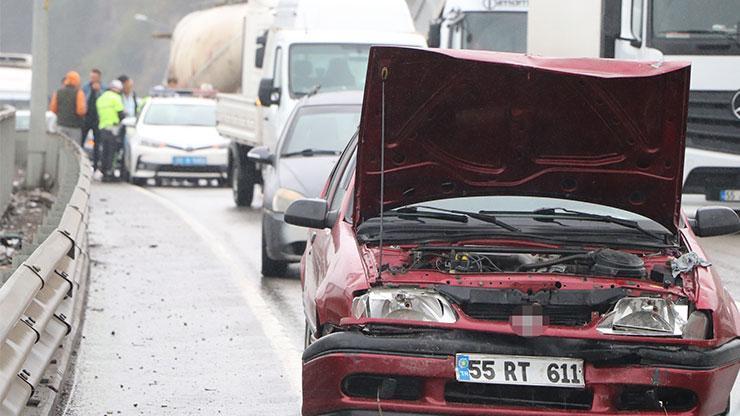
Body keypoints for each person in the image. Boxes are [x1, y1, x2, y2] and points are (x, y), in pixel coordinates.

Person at [96, 79, 125, 181]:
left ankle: (104, 172)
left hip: (103, 127)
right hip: (113, 128)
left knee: (104, 151)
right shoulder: (116, 98)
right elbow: (121, 114)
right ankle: (110, 172)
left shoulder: (101, 98)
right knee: (112, 152)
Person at [48, 71, 86, 140]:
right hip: (75, 127)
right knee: (74, 148)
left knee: (61, 147)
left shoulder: (58, 92)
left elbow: (52, 109)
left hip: (61, 125)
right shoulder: (79, 93)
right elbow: (81, 111)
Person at [82, 69, 103, 171]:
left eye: (94, 77)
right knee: (81, 141)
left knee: (97, 143)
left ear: (99, 78)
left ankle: (96, 166)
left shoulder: (103, 88)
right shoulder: (86, 87)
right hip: (86, 117)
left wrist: (98, 91)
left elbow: (104, 100)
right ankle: (81, 164)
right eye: (91, 77)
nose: (92, 79)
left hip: (97, 119)